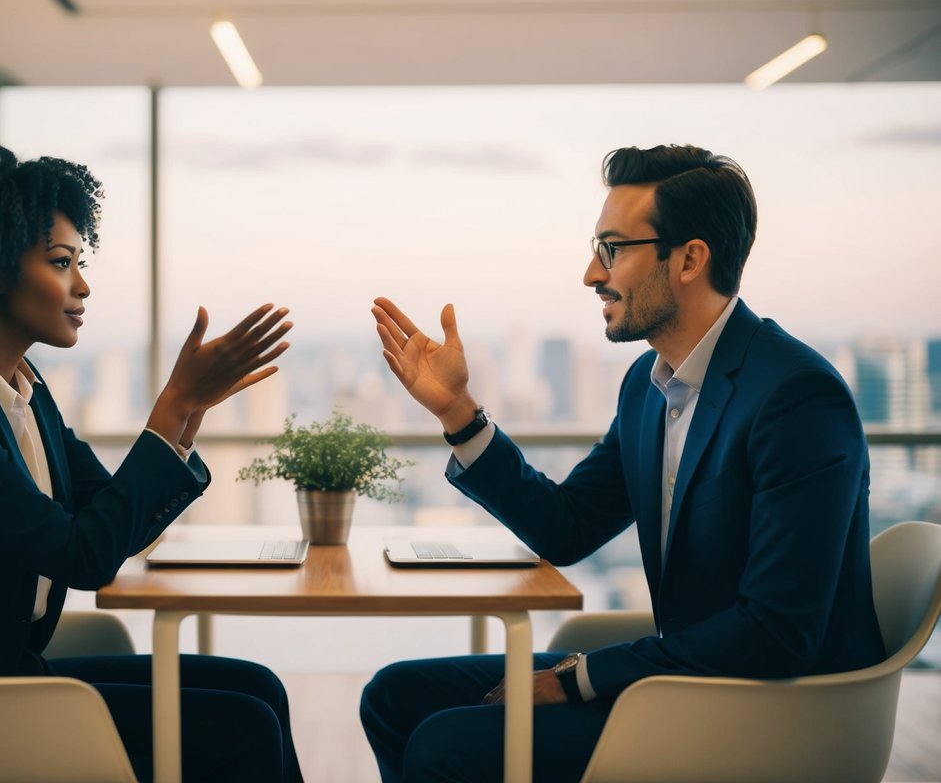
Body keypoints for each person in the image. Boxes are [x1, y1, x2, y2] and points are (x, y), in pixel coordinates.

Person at [361, 144, 885, 783]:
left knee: (448, 745)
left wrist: (580, 679)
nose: (590, 273)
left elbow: (775, 632)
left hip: (770, 709)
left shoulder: (796, 398)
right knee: (394, 698)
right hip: (689, 679)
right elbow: (568, 525)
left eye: (613, 249)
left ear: (690, 258)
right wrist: (458, 413)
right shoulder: (648, 386)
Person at [0, 144, 303, 782]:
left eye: (80, 262)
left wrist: (190, 414)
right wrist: (172, 402)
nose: (82, 285)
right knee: (241, 728)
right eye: (60, 263)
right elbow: (82, 557)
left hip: (0, 665)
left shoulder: (23, 386)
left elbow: (119, 523)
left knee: (257, 689)